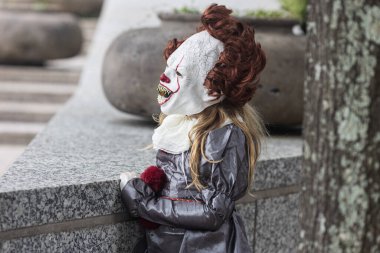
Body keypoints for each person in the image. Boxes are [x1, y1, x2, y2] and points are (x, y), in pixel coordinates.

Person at [119, 4, 266, 253]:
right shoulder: (178, 123)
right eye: (168, 67)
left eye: (178, 73)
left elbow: (212, 212)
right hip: (164, 243)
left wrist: (144, 204)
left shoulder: (224, 136)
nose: (165, 78)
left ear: (212, 91)